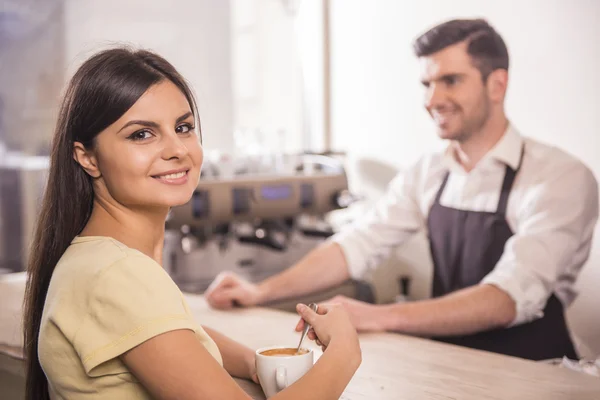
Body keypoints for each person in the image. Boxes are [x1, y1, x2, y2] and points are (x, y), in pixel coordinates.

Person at [205, 18, 599, 361]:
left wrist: (377, 316)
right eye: (427, 83)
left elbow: (506, 298)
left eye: (451, 81)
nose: (432, 99)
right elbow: (357, 244)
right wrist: (260, 292)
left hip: (537, 373)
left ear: (497, 85)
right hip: (451, 363)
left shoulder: (559, 177)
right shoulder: (429, 172)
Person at [22, 47, 361, 400]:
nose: (177, 149)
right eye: (141, 134)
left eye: (183, 127)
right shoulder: (118, 275)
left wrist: (252, 363)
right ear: (88, 157)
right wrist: (344, 353)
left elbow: (174, 334)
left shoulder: (98, 261)